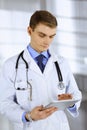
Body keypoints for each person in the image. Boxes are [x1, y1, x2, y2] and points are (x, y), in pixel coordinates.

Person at [0, 10, 82, 130]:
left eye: (51, 36)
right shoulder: (11, 65)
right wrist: (28, 116)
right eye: (42, 35)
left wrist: (71, 102)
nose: (47, 41)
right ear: (29, 30)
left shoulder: (62, 63)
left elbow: (75, 94)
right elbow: (4, 104)